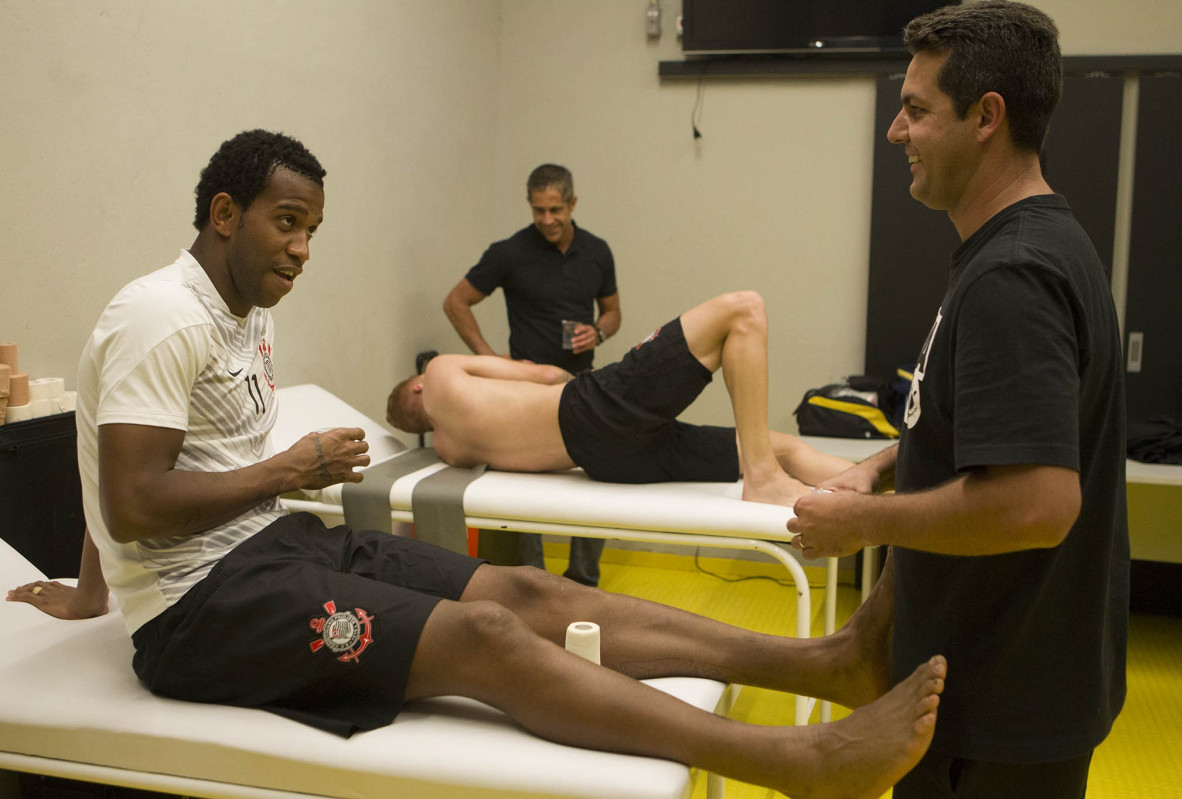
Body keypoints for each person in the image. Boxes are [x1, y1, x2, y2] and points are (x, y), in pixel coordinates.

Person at [61, 128, 947, 798]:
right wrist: (288, 469)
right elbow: (133, 497)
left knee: (524, 592)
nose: (302, 249)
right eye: (287, 225)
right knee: (487, 637)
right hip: (195, 615)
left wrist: (94, 587)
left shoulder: (242, 310)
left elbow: (112, 448)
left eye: (312, 230)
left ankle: (823, 663)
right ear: (224, 214)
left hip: (270, 548)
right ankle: (798, 760)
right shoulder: (160, 315)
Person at [788, 3, 1128, 796]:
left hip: (999, 718)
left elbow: (1038, 501)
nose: (895, 133)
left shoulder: (1015, 276)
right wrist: (880, 465)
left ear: (987, 116)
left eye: (915, 110)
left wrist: (862, 523)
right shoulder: (1020, 249)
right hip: (999, 693)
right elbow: (989, 431)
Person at [390, 290, 854, 507]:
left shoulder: (450, 449)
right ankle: (765, 477)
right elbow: (547, 374)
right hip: (592, 408)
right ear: (416, 387)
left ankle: (867, 486)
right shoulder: (439, 372)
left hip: (607, 462)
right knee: (744, 309)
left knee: (783, 448)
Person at [442, 164, 620, 584]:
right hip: (520, 391)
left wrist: (597, 332)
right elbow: (455, 302)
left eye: (555, 209)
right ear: (530, 205)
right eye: (539, 210)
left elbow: (612, 313)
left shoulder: (597, 251)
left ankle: (583, 580)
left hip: (578, 384)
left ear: (573, 203)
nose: (547, 220)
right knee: (524, 486)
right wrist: (493, 363)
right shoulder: (509, 252)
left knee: (595, 479)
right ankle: (532, 581)